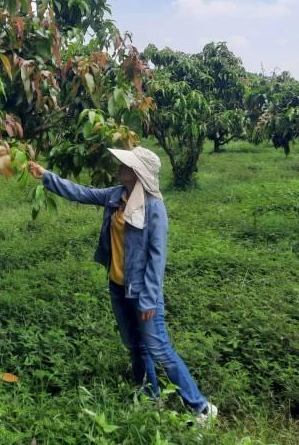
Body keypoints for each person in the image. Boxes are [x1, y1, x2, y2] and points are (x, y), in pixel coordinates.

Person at [28, 146, 218, 423]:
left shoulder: (154, 207)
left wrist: (150, 298)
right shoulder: (117, 195)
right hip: (118, 285)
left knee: (160, 349)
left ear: (137, 172)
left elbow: (157, 257)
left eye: (126, 164)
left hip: (142, 291)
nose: (119, 165)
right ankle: (149, 397)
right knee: (135, 346)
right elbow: (81, 193)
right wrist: (47, 175)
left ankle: (202, 408)